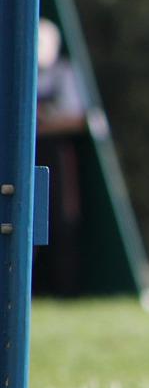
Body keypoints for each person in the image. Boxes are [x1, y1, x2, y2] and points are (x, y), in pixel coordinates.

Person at [34, 18, 87, 295]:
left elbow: (76, 119)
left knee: (61, 222)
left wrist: (39, 123)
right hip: (27, 154)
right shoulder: (18, 74)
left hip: (55, 156)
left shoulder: (63, 73)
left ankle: (64, 289)